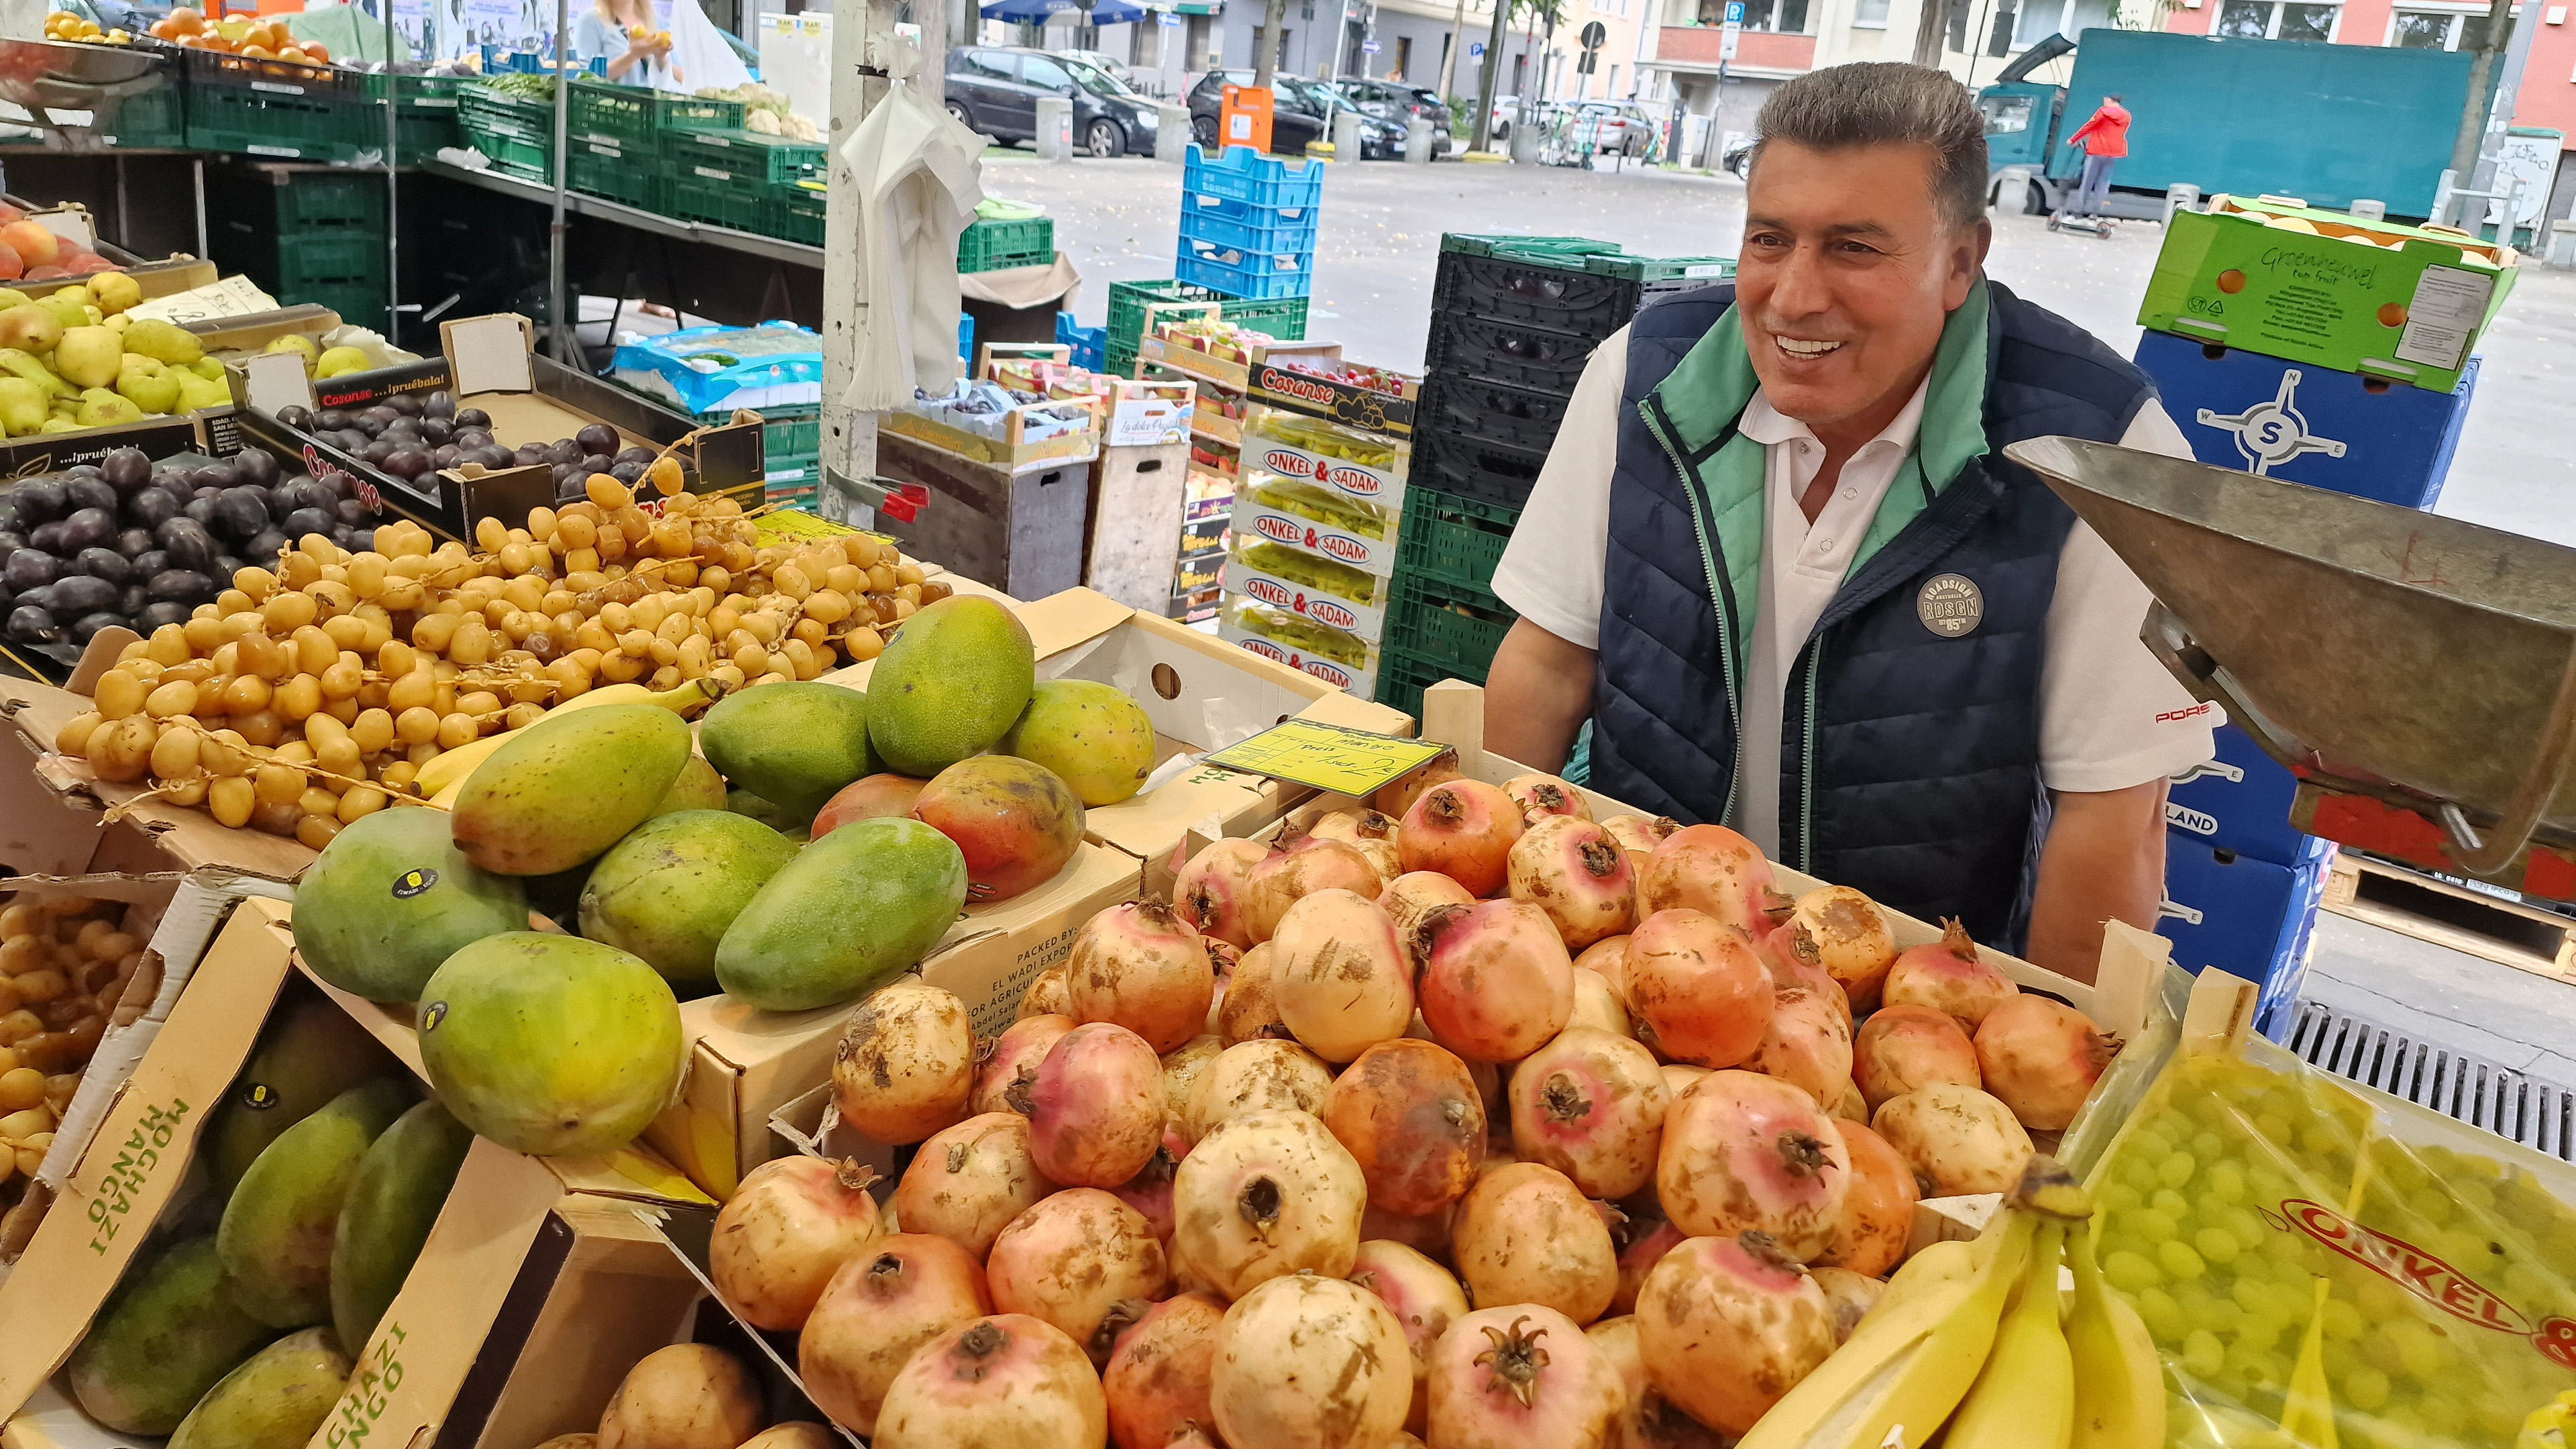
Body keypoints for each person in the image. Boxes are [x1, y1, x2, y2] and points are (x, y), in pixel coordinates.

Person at [1481, 62, 2215, 982]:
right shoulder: (1644, 376)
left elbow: (2113, 812)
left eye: (1853, 248)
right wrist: (1495, 920)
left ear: (1961, 261)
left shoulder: (2099, 448)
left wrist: (2058, 1044)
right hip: (1640, 958)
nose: (1793, 296)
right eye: (1770, 239)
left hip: (1908, 1007)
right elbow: (1549, 660)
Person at [572, 0, 669, 87]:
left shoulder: (653, 21)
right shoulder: (591, 20)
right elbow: (585, 76)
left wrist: (661, 57)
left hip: (649, 103)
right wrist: (632, 56)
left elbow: (678, 77)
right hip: (610, 103)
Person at [2064, 91, 2130, 218]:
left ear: (2109, 100)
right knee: (2103, 183)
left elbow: (2089, 126)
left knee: (2088, 181)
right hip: (2114, 153)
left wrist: (2073, 139)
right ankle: (2096, 213)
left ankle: (2078, 211)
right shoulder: (2127, 116)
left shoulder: (2104, 112)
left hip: (2097, 150)